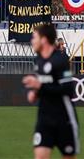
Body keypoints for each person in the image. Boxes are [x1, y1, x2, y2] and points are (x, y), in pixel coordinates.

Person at [22, 24, 79, 159]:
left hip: (64, 120)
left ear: (44, 39)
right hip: (44, 119)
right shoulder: (39, 60)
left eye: (34, 37)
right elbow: (44, 85)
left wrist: (40, 87)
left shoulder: (60, 60)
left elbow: (68, 90)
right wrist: (35, 93)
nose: (31, 41)